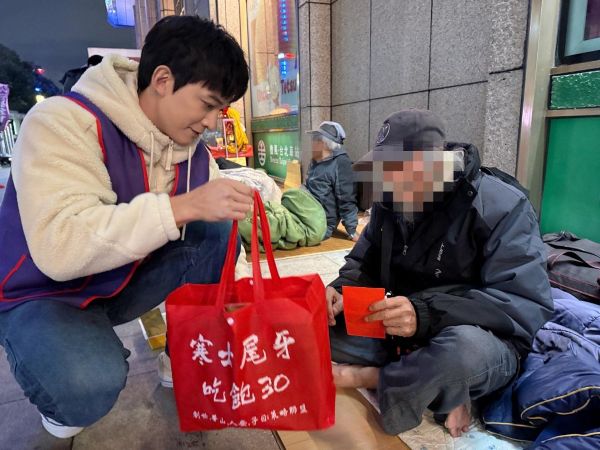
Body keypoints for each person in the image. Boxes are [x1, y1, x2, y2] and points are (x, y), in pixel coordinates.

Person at [0, 16, 253, 438]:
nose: (212, 122)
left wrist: (242, 296)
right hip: (42, 293)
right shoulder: (61, 122)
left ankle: (182, 355)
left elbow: (221, 251)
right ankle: (59, 391)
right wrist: (180, 207)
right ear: (163, 80)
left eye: (220, 109)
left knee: (216, 228)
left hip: (118, 281)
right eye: (207, 104)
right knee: (86, 385)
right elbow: (61, 249)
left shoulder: (193, 152)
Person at [325, 109, 553, 437]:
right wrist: (341, 289)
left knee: (460, 356)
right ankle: (437, 386)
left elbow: (523, 302)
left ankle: (378, 377)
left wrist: (425, 313)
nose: (390, 184)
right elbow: (364, 261)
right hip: (402, 332)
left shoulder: (503, 206)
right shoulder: (391, 200)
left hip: (473, 339)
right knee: (316, 326)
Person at [305, 121, 359, 241]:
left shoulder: (341, 163)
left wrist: (352, 230)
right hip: (305, 212)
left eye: (316, 139)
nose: (313, 143)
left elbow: (346, 198)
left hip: (321, 223)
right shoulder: (316, 159)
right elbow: (307, 185)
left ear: (325, 143)